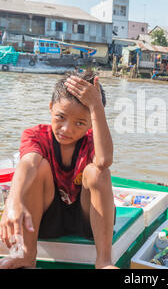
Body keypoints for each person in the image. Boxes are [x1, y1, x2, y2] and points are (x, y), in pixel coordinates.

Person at [0, 69, 117, 269]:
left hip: (87, 218)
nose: (66, 129)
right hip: (47, 219)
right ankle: (26, 256)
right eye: (60, 117)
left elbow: (104, 160)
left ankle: (104, 261)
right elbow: (28, 163)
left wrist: (96, 105)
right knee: (39, 167)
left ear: (91, 124)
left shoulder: (91, 142)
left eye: (80, 123)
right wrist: (13, 202)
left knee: (97, 171)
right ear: (51, 107)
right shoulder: (36, 135)